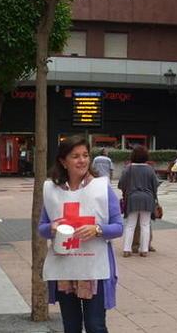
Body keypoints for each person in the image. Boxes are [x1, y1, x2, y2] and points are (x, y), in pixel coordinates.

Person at [39, 136, 123, 333]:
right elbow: (42, 228)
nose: (82, 160)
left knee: (95, 325)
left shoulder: (101, 188)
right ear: (63, 161)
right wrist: (51, 228)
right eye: (75, 156)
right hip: (65, 268)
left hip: (95, 268)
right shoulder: (53, 191)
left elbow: (118, 226)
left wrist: (98, 229)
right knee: (71, 326)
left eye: (85, 155)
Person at [118, 145, 159, 258]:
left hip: (132, 198)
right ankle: (144, 250)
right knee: (145, 224)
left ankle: (127, 250)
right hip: (148, 198)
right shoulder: (150, 169)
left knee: (130, 225)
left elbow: (121, 184)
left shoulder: (128, 168)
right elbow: (155, 185)